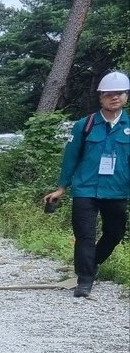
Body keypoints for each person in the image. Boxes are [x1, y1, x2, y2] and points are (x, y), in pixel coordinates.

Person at [42, 70, 130, 298]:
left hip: (117, 190)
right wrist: (62, 187)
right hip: (85, 189)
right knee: (85, 235)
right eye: (109, 94)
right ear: (100, 97)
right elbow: (71, 157)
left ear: (126, 96)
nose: (114, 97)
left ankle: (92, 263)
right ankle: (85, 280)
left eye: (119, 93)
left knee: (115, 232)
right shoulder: (85, 125)